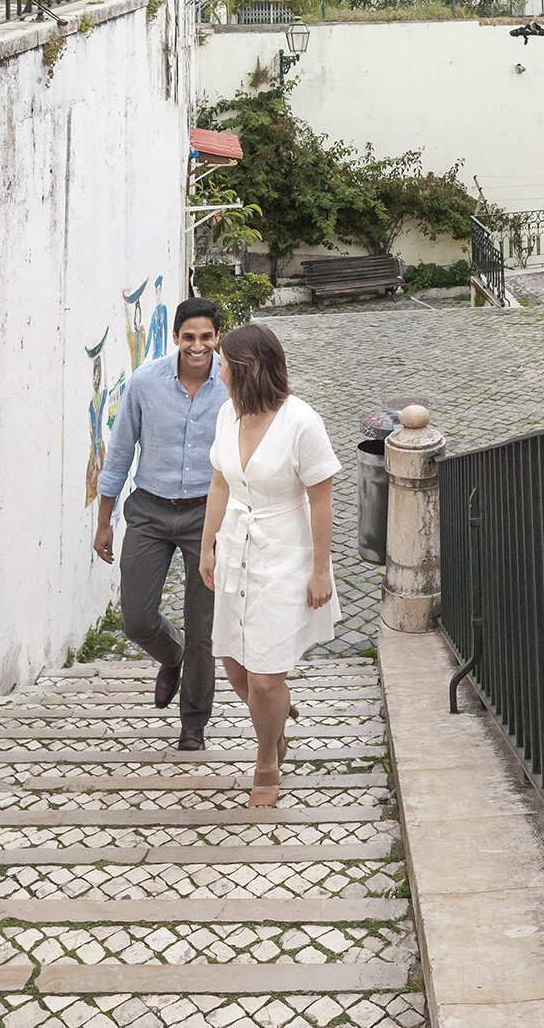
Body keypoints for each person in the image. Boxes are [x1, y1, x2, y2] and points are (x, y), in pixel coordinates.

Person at [199, 323, 339, 806]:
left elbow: (321, 502)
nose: (215, 368)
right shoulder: (226, 416)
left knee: (264, 676)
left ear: (246, 368)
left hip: (286, 553)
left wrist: (321, 570)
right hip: (236, 548)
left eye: (223, 361)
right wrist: (206, 547)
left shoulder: (301, 421)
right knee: (236, 669)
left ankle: (266, 760)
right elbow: (220, 485)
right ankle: (276, 721)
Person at [93, 297, 226, 752]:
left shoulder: (232, 385)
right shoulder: (145, 383)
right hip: (149, 509)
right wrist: (104, 521)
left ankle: (193, 725)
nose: (197, 346)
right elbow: (119, 455)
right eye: (188, 337)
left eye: (206, 337)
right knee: (136, 618)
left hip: (207, 516)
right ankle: (173, 653)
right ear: (175, 338)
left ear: (217, 337)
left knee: (204, 628)